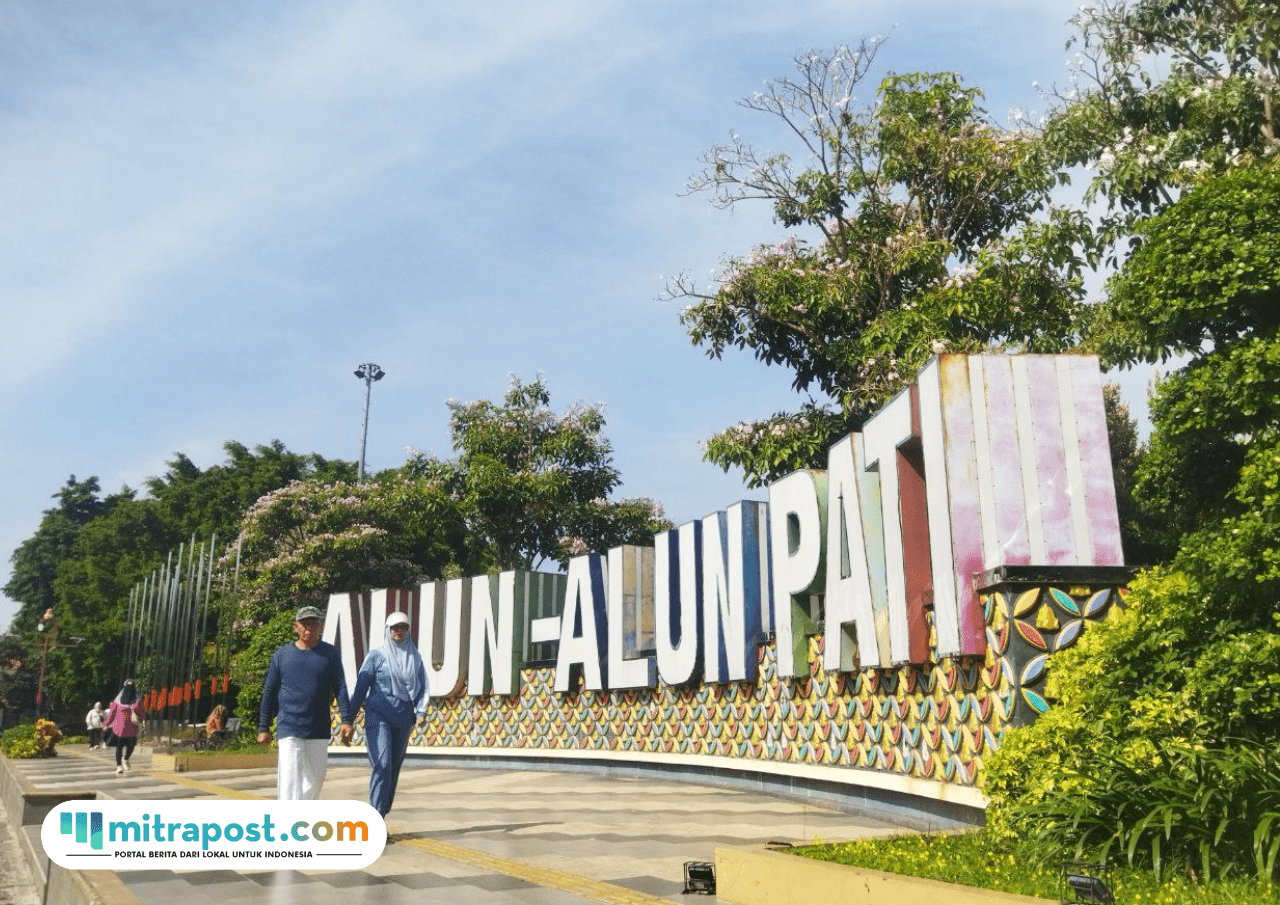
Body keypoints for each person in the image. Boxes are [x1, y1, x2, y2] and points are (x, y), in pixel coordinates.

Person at [257, 605, 355, 800]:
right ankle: (289, 824)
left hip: (318, 726)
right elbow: (270, 692)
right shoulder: (282, 655)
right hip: (289, 726)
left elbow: (340, 687)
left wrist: (346, 720)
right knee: (289, 781)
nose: (309, 628)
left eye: (314, 623)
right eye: (304, 624)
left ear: (320, 626)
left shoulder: (330, 654)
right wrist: (263, 727)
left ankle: (300, 814)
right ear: (296, 627)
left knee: (316, 779)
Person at [350, 611, 429, 816]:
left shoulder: (415, 657)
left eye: (403, 627)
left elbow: (422, 686)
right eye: (395, 627)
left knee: (392, 770)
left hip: (403, 719)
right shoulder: (376, 655)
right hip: (378, 717)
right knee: (382, 765)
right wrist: (348, 718)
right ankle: (374, 817)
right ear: (387, 630)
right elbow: (361, 687)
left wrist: (421, 710)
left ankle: (381, 816)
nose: (399, 631)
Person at [105, 680, 145, 774]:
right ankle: (119, 766)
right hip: (119, 728)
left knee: (131, 746)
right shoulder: (118, 699)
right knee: (119, 747)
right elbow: (112, 713)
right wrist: (107, 724)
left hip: (132, 727)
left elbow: (142, 710)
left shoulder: (138, 697)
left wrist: (143, 720)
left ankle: (126, 759)